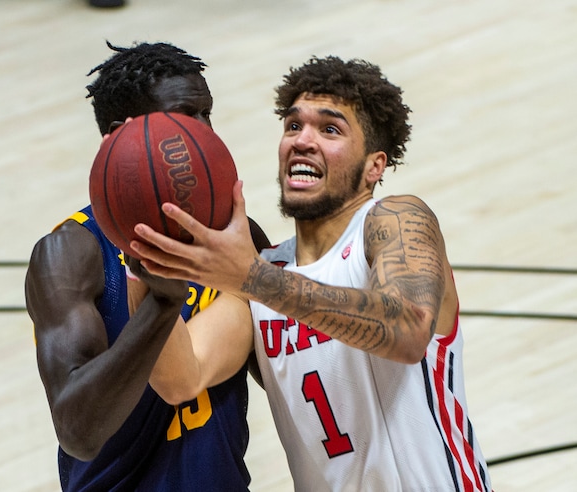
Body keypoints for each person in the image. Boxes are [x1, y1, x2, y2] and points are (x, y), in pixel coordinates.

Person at [129, 56, 493, 491]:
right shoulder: (264, 273)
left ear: (374, 166)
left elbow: (407, 329)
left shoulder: (393, 219)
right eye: (292, 125)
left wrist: (251, 278)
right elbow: (179, 378)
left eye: (330, 129)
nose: (303, 140)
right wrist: (145, 267)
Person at [25, 41, 269, 491]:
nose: (205, 133)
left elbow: (288, 378)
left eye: (206, 114)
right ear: (122, 137)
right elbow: (79, 431)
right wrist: (160, 306)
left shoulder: (239, 238)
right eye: (183, 117)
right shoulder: (71, 254)